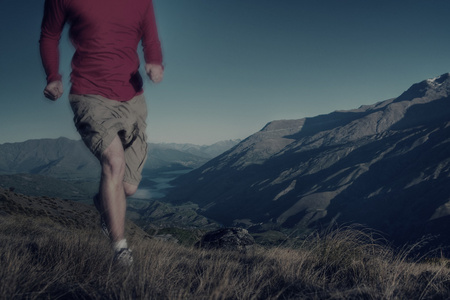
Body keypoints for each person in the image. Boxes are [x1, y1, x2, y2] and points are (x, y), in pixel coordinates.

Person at [40, 0, 164, 266]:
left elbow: (149, 37)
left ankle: (104, 202)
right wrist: (53, 76)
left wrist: (155, 62)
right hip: (89, 94)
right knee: (114, 163)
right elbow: (50, 35)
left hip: (133, 98)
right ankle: (120, 250)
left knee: (128, 187)